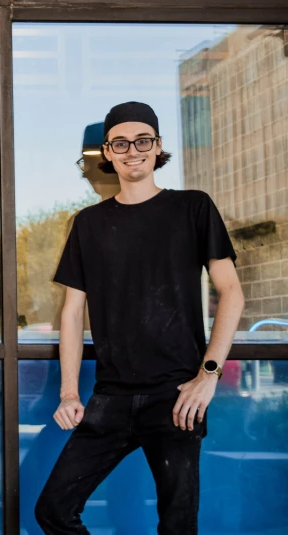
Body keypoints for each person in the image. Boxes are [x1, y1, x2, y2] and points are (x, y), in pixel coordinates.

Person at [34, 102, 244, 535]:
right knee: (53, 510)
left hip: (177, 397)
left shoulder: (193, 207)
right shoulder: (88, 224)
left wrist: (207, 376)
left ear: (158, 147)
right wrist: (69, 394)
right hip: (110, 397)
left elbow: (231, 292)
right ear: (107, 154)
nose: (133, 150)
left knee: (177, 525)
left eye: (143, 140)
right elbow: (72, 313)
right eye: (121, 143)